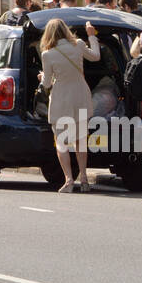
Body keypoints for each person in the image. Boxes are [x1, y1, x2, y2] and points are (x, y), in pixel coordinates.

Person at [38, 18, 100, 193]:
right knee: (80, 140)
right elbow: (96, 57)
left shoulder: (48, 54)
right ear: (66, 30)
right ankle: (85, 178)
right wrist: (91, 36)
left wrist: (41, 77)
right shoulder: (79, 44)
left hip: (61, 99)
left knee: (62, 142)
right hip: (81, 95)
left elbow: (47, 84)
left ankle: (69, 180)